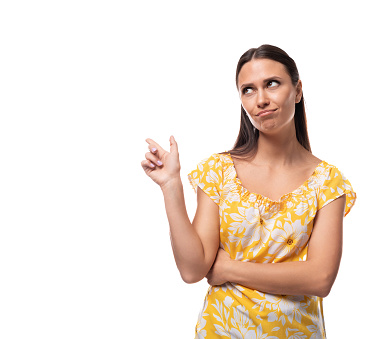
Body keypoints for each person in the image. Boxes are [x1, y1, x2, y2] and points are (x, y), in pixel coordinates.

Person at [141, 44, 356, 338]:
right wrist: (170, 186)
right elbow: (193, 270)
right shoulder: (218, 170)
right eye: (248, 90)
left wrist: (229, 270)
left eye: (272, 84)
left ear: (297, 90)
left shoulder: (328, 181)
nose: (261, 99)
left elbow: (320, 278)